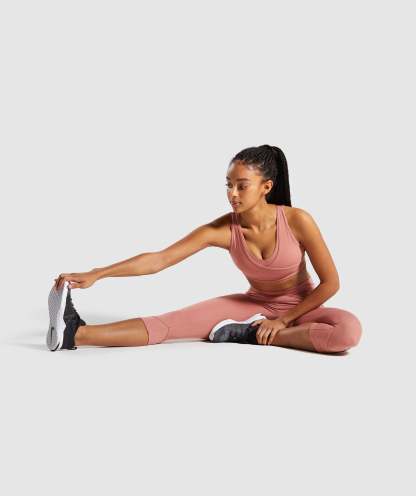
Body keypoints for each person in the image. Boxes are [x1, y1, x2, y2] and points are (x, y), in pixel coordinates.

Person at [47, 144, 362, 353]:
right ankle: (74, 333)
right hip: (253, 306)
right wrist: (98, 273)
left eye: (242, 186)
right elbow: (159, 260)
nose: (233, 194)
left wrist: (282, 321)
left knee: (348, 331)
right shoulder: (222, 230)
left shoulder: (297, 220)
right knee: (169, 325)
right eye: (228, 185)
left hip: (304, 309)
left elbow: (331, 283)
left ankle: (251, 334)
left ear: (266, 187)